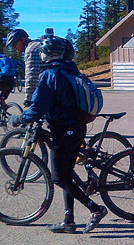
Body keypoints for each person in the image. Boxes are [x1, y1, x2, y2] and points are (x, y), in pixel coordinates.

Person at [10, 35, 108, 234]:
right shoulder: (70, 71)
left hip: (65, 130)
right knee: (67, 174)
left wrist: (19, 119)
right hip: (75, 127)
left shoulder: (50, 75)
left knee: (58, 178)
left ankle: (95, 209)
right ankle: (68, 221)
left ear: (45, 55)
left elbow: (37, 107)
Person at [5, 28, 43, 107]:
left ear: (22, 40)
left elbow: (32, 76)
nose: (14, 48)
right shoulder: (39, 44)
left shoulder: (31, 49)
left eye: (14, 44)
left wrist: (28, 98)